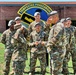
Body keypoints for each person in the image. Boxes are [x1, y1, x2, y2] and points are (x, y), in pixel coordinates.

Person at [47, 11, 67, 75]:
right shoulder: (55, 26)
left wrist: (47, 44)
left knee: (56, 72)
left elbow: (56, 38)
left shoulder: (59, 26)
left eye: (50, 17)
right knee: (53, 71)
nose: (49, 19)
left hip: (57, 52)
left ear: (55, 17)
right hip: (55, 52)